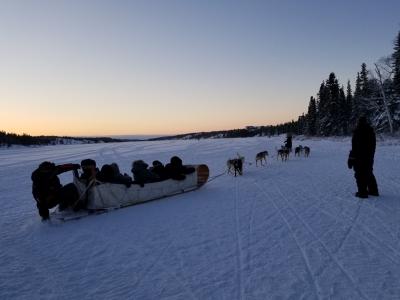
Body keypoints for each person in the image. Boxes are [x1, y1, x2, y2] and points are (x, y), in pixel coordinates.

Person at [348, 116, 379, 198]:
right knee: (368, 172)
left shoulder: (358, 132)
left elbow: (356, 147)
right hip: (369, 156)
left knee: (360, 174)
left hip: (359, 157)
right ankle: (373, 191)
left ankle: (362, 193)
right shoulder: (370, 131)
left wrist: (351, 158)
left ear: (359, 123)